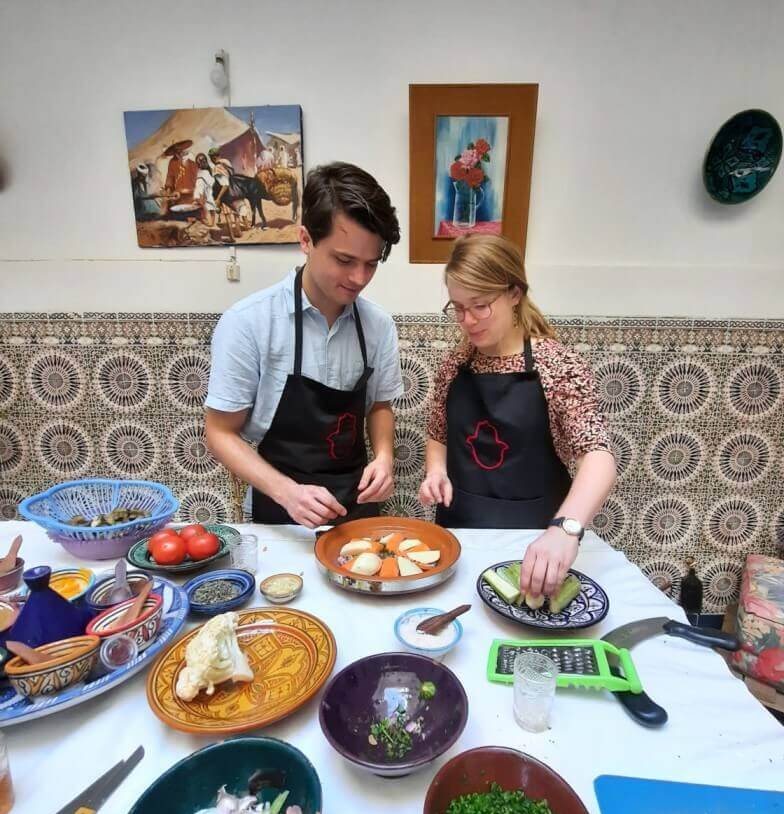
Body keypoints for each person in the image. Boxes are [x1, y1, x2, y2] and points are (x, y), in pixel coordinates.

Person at [205, 162, 403, 527]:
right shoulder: (248, 322)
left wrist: (385, 457)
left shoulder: (378, 325)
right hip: (277, 506)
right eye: (344, 260)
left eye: (371, 264)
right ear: (306, 240)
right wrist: (286, 492)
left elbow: (379, 404)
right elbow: (219, 431)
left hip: (356, 504)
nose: (359, 278)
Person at [419, 233, 616, 598]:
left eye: (480, 305)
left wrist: (565, 531)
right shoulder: (454, 365)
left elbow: (598, 455)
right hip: (459, 538)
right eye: (458, 308)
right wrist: (435, 471)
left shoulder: (558, 365)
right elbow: (438, 434)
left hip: (535, 548)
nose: (468, 320)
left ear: (514, 293)